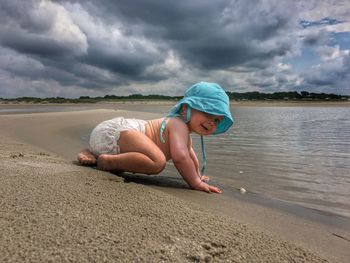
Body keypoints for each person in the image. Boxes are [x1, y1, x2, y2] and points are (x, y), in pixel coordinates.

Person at [78, 81, 234, 194]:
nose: (212, 122)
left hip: (108, 138)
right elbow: (180, 157)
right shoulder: (178, 124)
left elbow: (189, 155)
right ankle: (108, 161)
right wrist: (195, 182)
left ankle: (92, 152)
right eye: (207, 113)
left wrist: (198, 174)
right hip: (117, 132)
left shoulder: (184, 132)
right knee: (157, 162)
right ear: (186, 109)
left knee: (154, 159)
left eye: (217, 120)